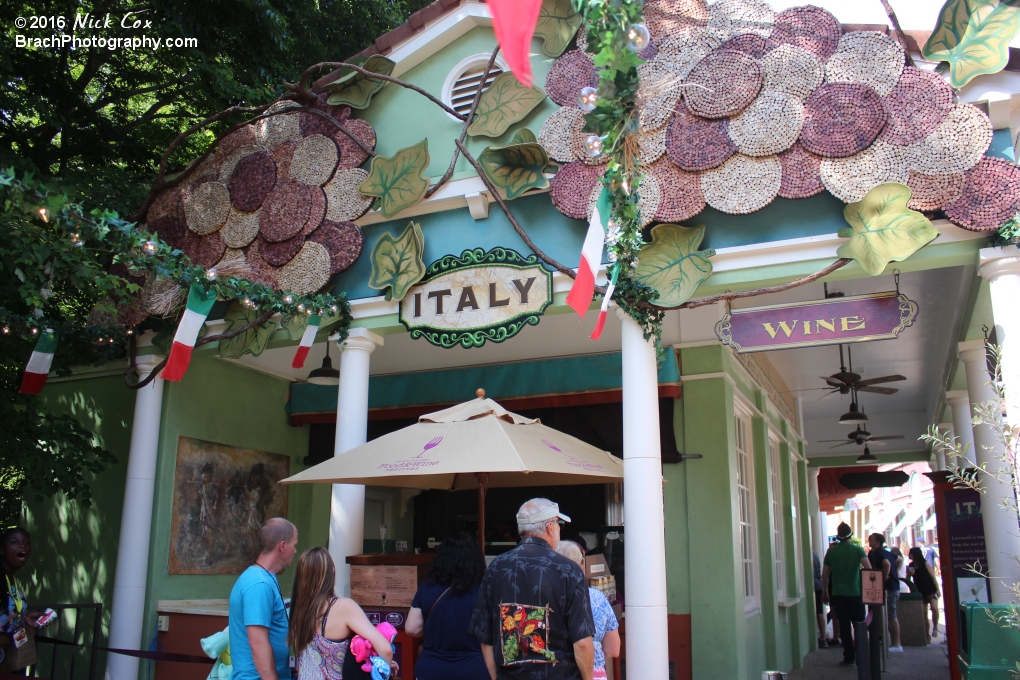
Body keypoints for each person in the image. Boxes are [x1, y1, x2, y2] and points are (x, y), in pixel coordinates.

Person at [470, 498, 595, 680]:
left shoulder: (496, 568)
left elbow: (485, 637)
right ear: (550, 527)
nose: (559, 529)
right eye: (559, 524)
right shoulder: (568, 570)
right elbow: (582, 642)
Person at [288, 547, 396, 680]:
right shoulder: (344, 607)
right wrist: (383, 667)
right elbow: (386, 650)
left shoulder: (297, 611)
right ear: (331, 571)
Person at [404, 532, 488, 680]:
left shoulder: (427, 587)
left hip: (432, 669)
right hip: (475, 670)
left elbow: (411, 628)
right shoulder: (484, 589)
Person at [230, 518, 298, 680]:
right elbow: (258, 643)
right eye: (294, 545)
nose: (295, 551)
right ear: (282, 546)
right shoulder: (259, 584)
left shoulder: (263, 578)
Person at [555, 541, 619, 680]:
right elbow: (613, 649)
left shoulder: (544, 598)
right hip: (594, 674)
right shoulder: (598, 598)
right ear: (581, 566)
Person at [822, 523, 871, 666]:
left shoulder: (831, 552)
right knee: (859, 625)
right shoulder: (857, 550)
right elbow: (868, 568)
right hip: (855, 592)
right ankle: (861, 654)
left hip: (838, 593)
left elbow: (825, 574)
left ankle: (849, 656)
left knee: (844, 626)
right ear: (851, 535)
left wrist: (825, 592)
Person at [1, 528, 47, 675]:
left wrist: (24, 618)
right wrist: (13, 639)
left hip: (9, 661)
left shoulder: (10, 578)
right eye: (14, 542)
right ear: (1, 550)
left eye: (26, 542)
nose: (23, 546)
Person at [867, 533, 902, 652]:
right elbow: (900, 559)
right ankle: (891, 642)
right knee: (888, 615)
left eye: (871, 539)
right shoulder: (886, 552)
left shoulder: (879, 553)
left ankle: (897, 644)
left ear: (877, 542)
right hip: (893, 586)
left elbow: (886, 564)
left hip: (889, 588)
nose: (869, 541)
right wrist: (896, 571)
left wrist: (886, 575)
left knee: (891, 615)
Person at [908, 547, 942, 641]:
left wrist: (937, 589)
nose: (909, 555)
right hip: (919, 591)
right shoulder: (911, 565)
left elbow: (932, 577)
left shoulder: (925, 564)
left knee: (934, 608)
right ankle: (927, 634)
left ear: (915, 554)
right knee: (924, 613)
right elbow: (909, 578)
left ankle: (935, 627)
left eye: (910, 553)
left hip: (930, 589)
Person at [812, 551, 827, 648]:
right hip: (818, 583)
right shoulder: (815, 553)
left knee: (817, 611)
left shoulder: (806, 552)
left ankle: (821, 638)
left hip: (813, 584)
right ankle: (823, 637)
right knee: (819, 612)